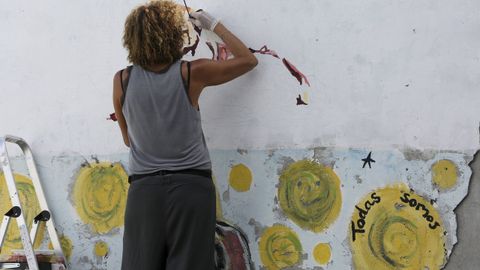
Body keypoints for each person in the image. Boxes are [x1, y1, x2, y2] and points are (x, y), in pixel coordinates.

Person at [112, 1, 257, 269]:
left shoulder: (122, 80)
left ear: (132, 38)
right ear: (172, 34)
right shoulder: (191, 73)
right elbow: (248, 60)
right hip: (191, 189)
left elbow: (128, 139)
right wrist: (212, 24)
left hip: (144, 191)